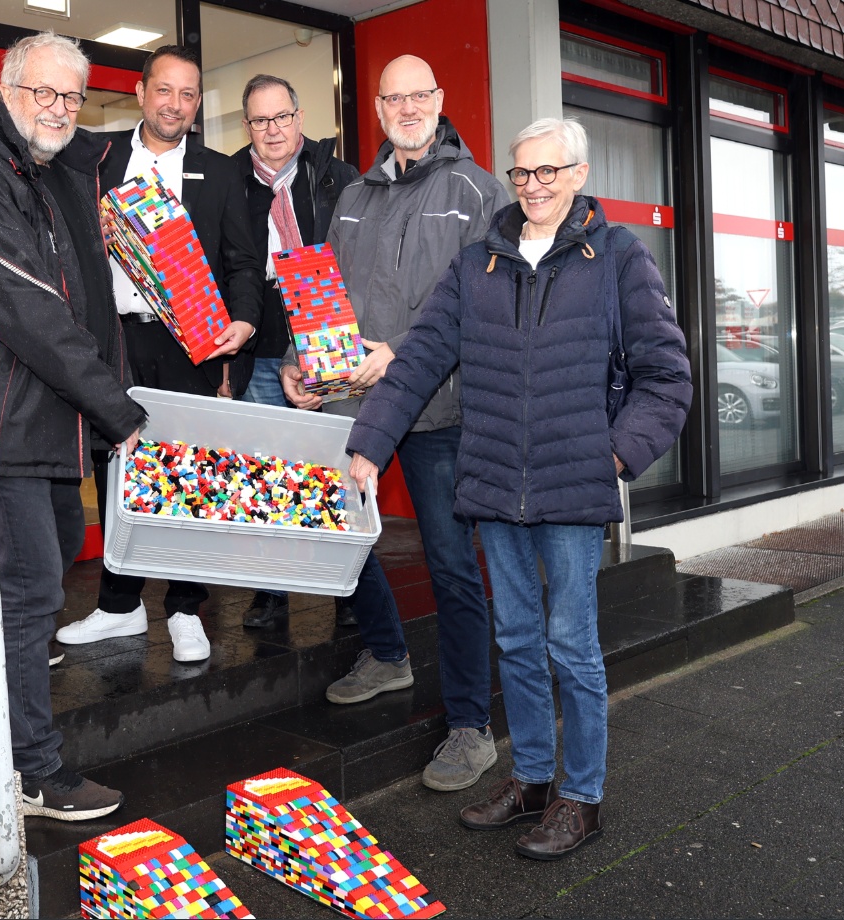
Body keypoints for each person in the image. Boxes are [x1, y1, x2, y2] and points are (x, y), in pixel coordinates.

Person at [346, 116, 691, 859]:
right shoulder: (480, 262)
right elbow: (420, 357)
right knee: (517, 639)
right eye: (521, 173)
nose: (533, 186)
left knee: (573, 645)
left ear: (578, 174)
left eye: (548, 172)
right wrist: (371, 442)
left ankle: (582, 799)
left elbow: (667, 377)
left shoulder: (619, 257)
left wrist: (616, 459)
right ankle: (532, 780)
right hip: (496, 482)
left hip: (574, 486)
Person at [0, 32, 146, 821]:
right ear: (7, 90)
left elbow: (83, 295)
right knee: (28, 595)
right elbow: (30, 313)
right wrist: (118, 409)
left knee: (34, 595)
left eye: (71, 97)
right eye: (42, 92)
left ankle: (27, 749)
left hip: (48, 423)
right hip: (3, 425)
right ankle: (32, 773)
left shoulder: (47, 173)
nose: (57, 109)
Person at [281, 54, 511, 794]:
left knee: (450, 564)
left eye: (421, 94)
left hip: (443, 409)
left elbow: (488, 310)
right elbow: (324, 297)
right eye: (394, 97)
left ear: (439, 100)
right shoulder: (353, 196)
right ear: (376, 108)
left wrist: (400, 355)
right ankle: (386, 653)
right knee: (342, 541)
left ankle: (472, 727)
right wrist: (298, 361)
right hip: (359, 404)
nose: (408, 107)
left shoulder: (479, 191)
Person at [55, 45, 264, 663]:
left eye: (189, 94)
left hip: (190, 345)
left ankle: (184, 608)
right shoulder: (94, 159)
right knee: (117, 475)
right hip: (111, 341)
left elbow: (244, 263)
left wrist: (246, 321)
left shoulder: (221, 172)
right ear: (142, 93)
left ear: (198, 105)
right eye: (165, 90)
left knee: (189, 477)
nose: (176, 104)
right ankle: (118, 608)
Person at [230, 73, 361, 630]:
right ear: (248, 127)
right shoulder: (228, 179)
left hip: (327, 340)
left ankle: (351, 591)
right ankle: (271, 590)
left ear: (300, 118)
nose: (273, 129)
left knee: (337, 473)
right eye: (261, 120)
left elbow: (357, 260)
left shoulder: (338, 177)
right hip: (260, 348)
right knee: (268, 471)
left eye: (282, 117)